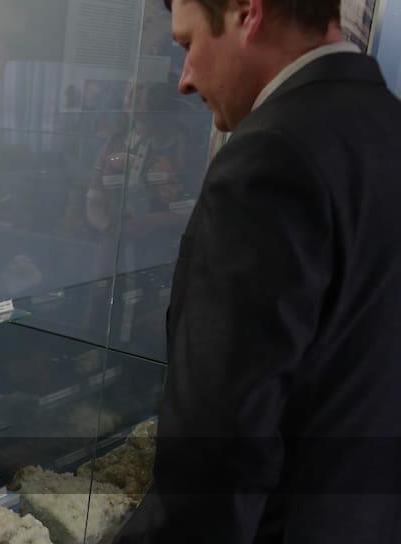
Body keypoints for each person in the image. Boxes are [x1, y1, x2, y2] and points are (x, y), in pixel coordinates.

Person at [115, 0, 401, 542]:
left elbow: (217, 457)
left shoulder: (271, 157)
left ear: (249, 13)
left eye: (189, 44)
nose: (184, 79)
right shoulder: (388, 124)